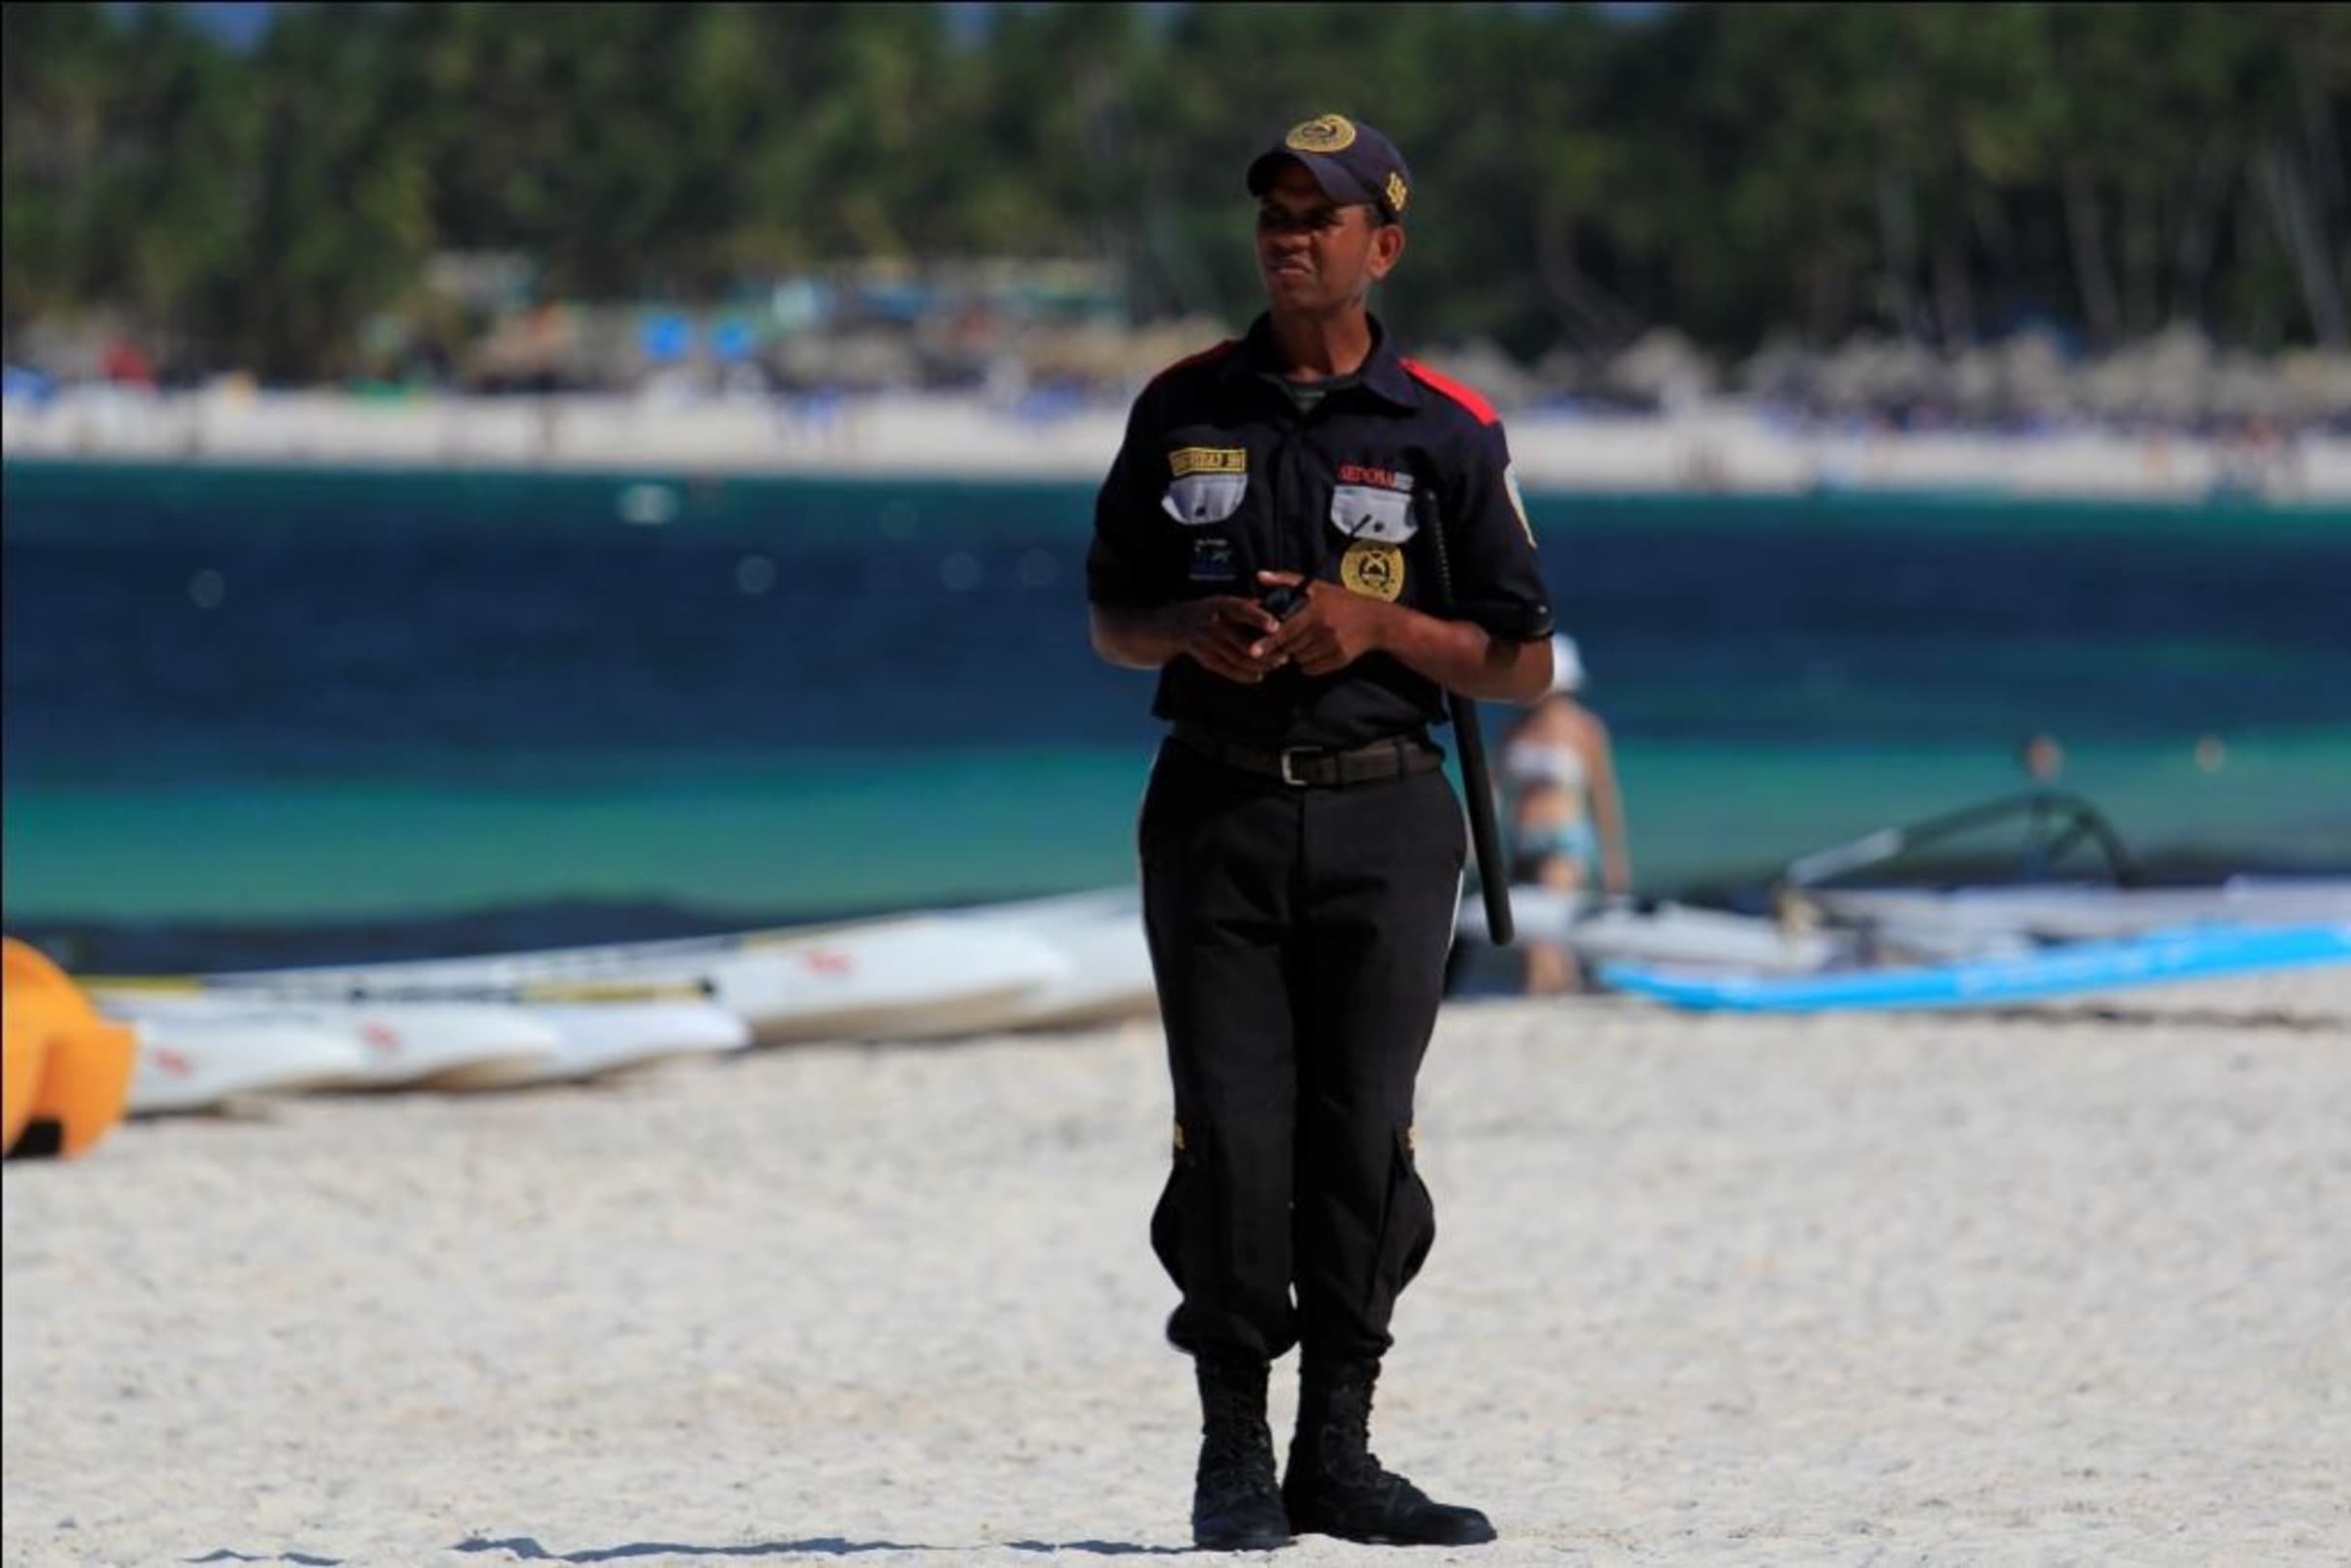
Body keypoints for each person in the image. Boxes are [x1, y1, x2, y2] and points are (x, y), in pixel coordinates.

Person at [1086, 112, 1554, 1551]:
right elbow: (1111, 618)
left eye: (1319, 217)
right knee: (1230, 1137)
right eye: (1273, 215)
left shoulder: (1445, 429)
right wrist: (1191, 629)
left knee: (1360, 1138)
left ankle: (1337, 1451)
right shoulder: (1180, 405)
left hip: (1385, 817)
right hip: (1214, 809)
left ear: (1381, 246)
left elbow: (1522, 661)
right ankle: (1231, 1452)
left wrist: (1378, 626)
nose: (1288, 238)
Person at [1499, 634, 1632, 900]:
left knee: (1547, 917)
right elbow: (1493, 790)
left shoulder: (1585, 729)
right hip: (1520, 840)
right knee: (1521, 918)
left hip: (1563, 840)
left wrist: (1614, 860)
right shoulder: (1514, 730)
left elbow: (1602, 795)